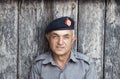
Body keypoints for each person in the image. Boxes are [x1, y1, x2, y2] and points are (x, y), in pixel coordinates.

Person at [30, 16, 97, 79]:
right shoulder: (39, 65)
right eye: (55, 36)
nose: (60, 42)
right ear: (48, 38)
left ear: (72, 39)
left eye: (66, 37)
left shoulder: (87, 65)